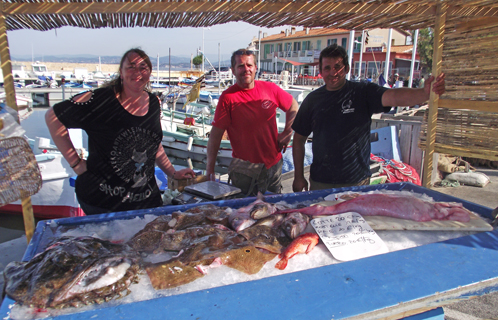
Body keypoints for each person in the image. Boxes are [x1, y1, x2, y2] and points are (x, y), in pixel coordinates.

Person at [45, 48, 195, 215]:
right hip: (102, 203)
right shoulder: (99, 100)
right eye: (131, 67)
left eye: (143, 67)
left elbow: (154, 144)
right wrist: (76, 163)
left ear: (149, 72)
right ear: (121, 73)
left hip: (145, 202)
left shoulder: (154, 102)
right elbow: (53, 117)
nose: (137, 72)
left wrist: (173, 172)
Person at [292, 44, 445, 192]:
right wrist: (298, 177)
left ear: (347, 68)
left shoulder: (362, 92)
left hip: (356, 181)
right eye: (327, 68)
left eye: (338, 67)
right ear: (320, 71)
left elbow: (394, 96)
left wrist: (424, 93)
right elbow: (299, 138)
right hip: (321, 182)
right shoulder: (312, 100)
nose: (333, 72)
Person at [206, 48, 299, 196]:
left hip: (273, 165)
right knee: (244, 212)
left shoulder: (270, 89)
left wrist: (288, 132)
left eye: (249, 65)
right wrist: (210, 170)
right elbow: (215, 136)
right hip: (244, 170)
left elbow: (293, 106)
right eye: (241, 66)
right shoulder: (227, 97)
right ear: (233, 70)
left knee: (274, 208)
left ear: (256, 68)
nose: (246, 69)